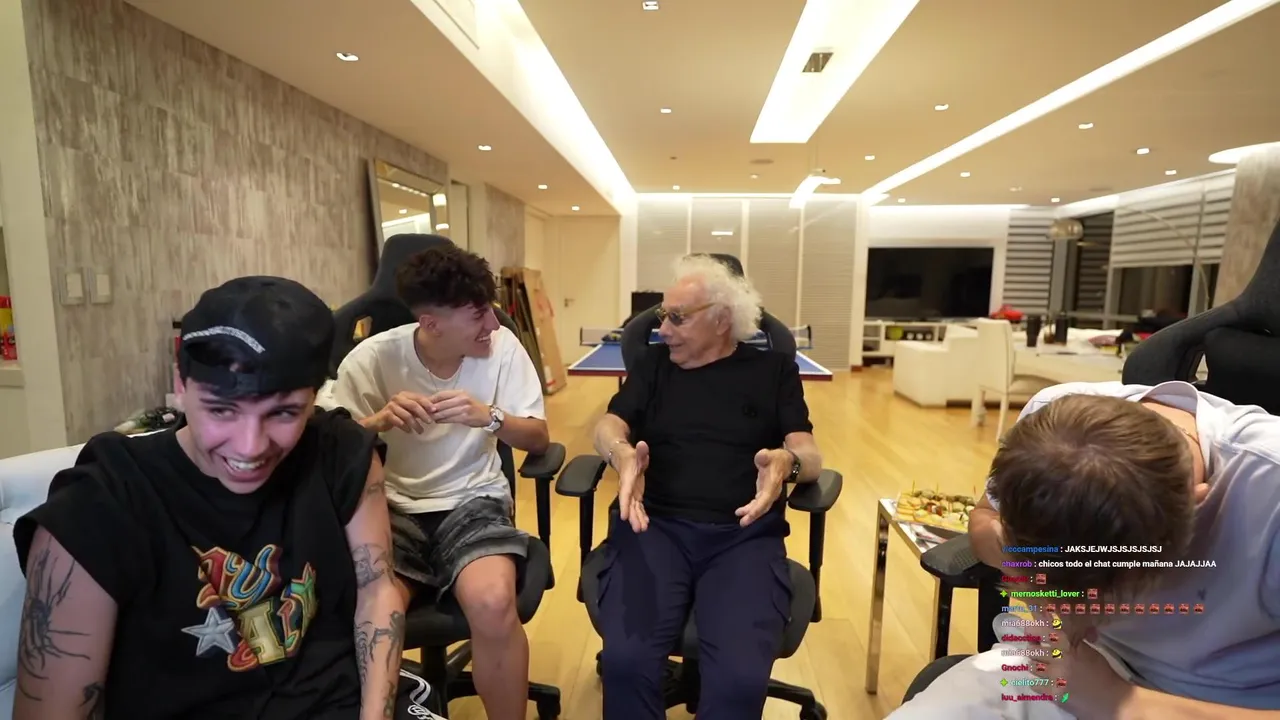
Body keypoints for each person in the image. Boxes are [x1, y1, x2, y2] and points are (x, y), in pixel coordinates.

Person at [10, 277, 436, 720]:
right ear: (181, 383)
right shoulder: (103, 500)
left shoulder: (340, 454)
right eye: (221, 409)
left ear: (315, 397)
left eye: (284, 412)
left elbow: (376, 592)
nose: (250, 447)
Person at [891, 381, 1280, 719]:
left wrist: (1118, 701)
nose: (1086, 618)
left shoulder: (1268, 490)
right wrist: (1033, 574)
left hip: (1221, 701)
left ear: (1196, 505)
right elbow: (985, 517)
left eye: (1102, 602)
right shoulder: (1051, 421)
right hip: (1075, 667)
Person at [320, 244, 549, 720]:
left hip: (473, 501)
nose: (494, 324)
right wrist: (377, 422)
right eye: (479, 315)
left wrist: (489, 416)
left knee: (493, 602)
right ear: (431, 323)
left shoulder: (503, 348)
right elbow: (323, 443)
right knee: (372, 610)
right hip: (390, 507)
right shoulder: (373, 358)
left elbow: (538, 439)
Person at [590, 254, 824, 720]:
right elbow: (607, 425)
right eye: (663, 316)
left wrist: (787, 463)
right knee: (626, 664)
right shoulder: (654, 365)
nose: (663, 330)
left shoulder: (774, 370)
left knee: (739, 680)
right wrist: (620, 453)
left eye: (677, 318)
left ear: (721, 319)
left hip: (744, 536)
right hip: (655, 528)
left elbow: (810, 455)